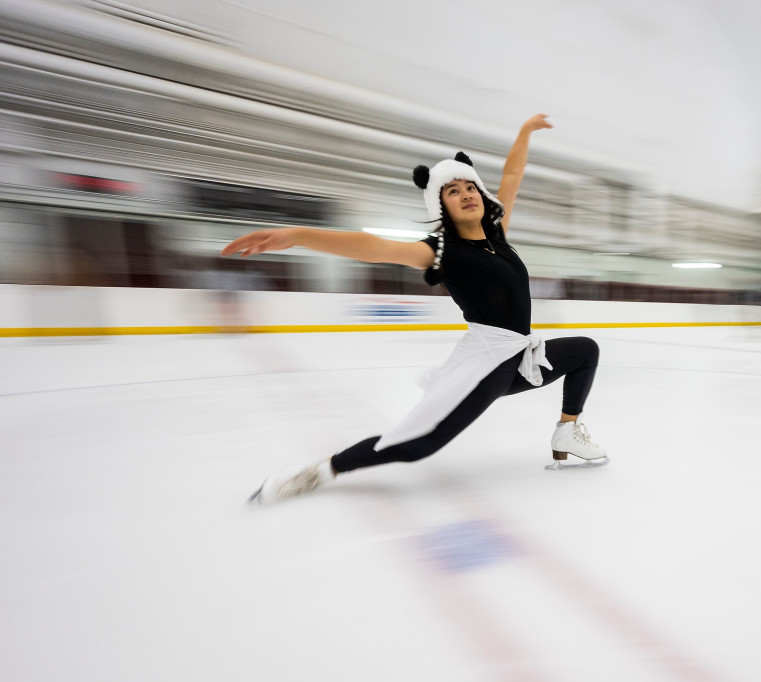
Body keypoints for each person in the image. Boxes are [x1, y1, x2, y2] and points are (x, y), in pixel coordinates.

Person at [221, 114, 609, 504]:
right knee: (419, 444)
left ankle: (566, 430)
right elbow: (375, 248)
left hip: (518, 354)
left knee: (584, 351)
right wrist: (297, 235)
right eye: (453, 191)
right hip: (487, 361)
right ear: (441, 205)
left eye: (470, 186)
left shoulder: (497, 236)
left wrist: (524, 133)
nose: (466, 193)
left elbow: (512, 176)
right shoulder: (443, 251)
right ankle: (321, 470)